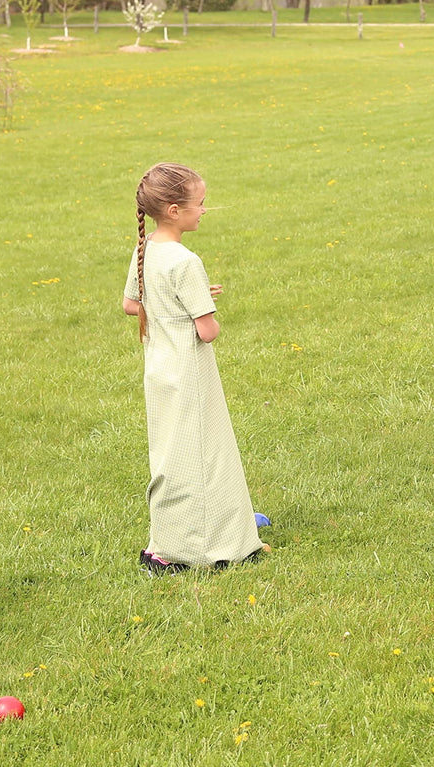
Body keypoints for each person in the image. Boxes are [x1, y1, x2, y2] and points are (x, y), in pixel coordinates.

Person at [121, 163, 264, 574]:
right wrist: (202, 303)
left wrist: (181, 298)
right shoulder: (186, 261)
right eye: (200, 205)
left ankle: (208, 532)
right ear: (173, 209)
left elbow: (133, 303)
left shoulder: (145, 249)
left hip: (160, 373)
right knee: (205, 455)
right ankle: (198, 547)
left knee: (171, 455)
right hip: (190, 375)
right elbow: (208, 331)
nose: (204, 211)